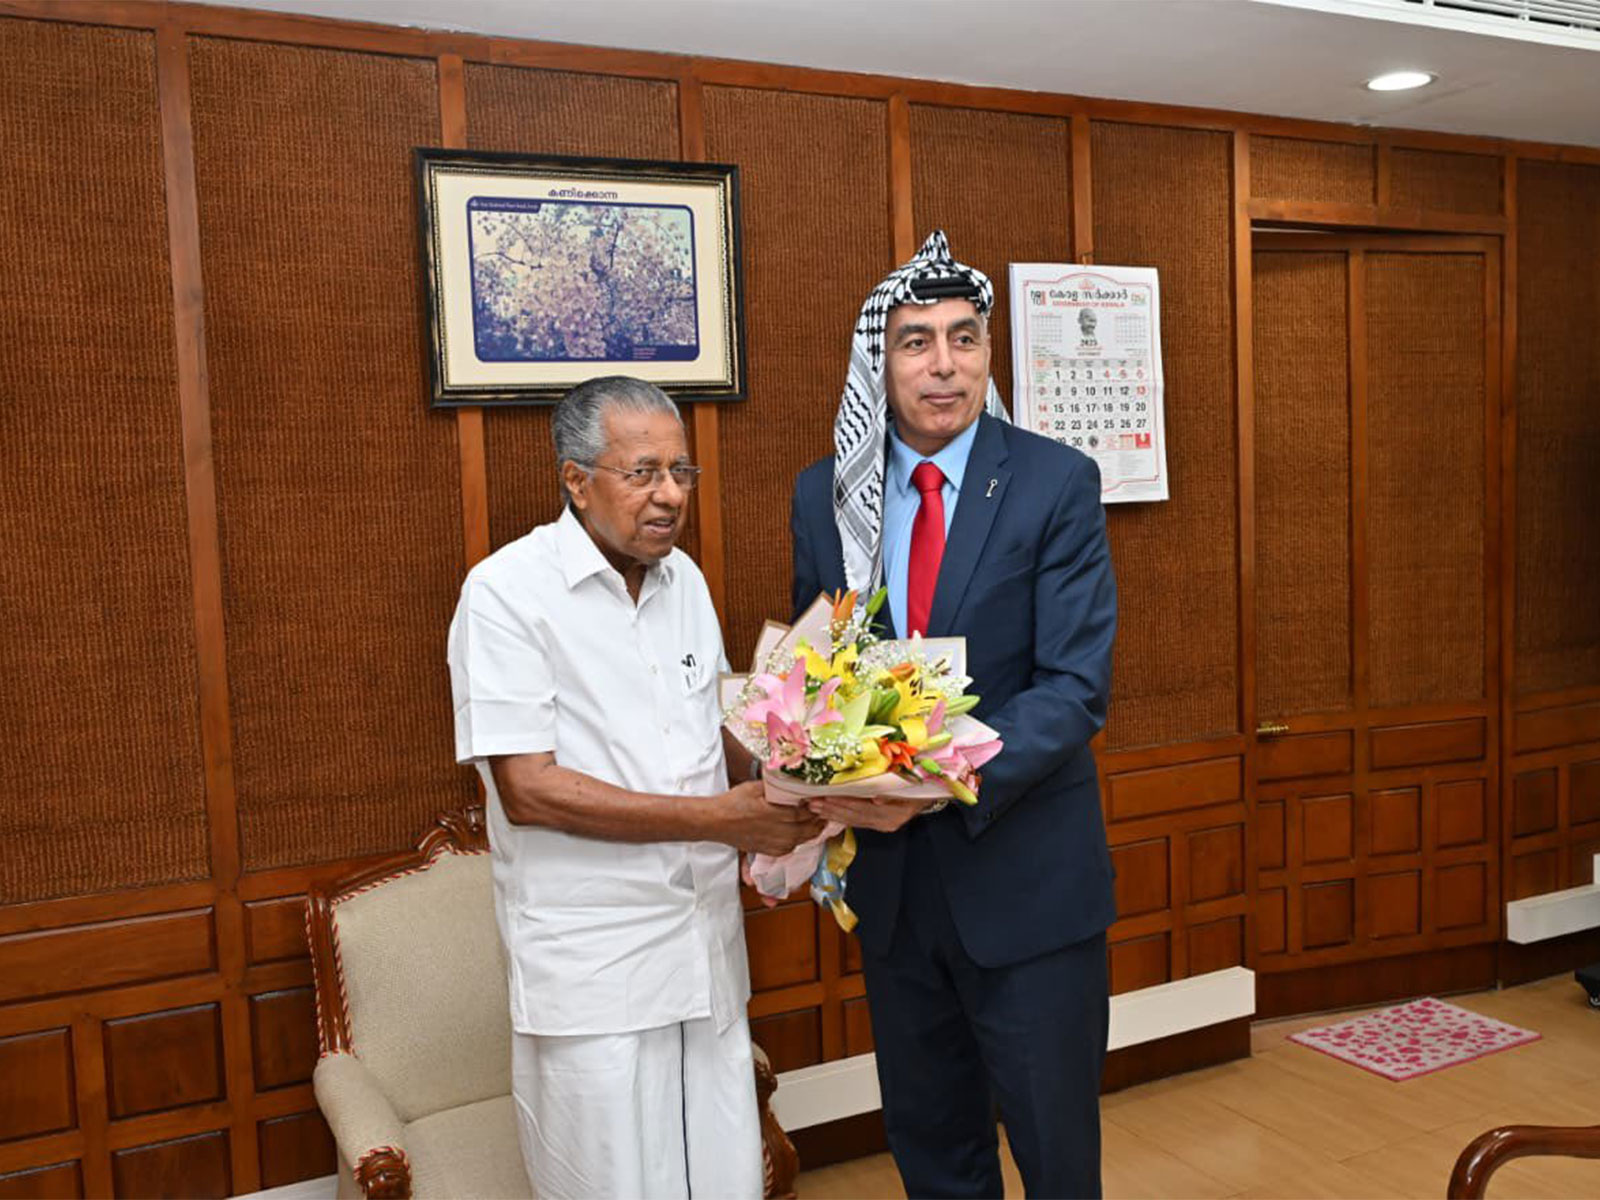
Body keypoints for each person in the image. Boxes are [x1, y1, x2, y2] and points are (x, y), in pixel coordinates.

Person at [789, 232, 1119, 1198]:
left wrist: (933, 781)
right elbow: (824, 667)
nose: (943, 364)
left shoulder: (1055, 482)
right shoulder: (827, 495)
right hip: (893, 894)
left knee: (1057, 1161)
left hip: (1025, 882)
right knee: (934, 1155)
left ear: (987, 354)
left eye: (965, 340)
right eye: (916, 342)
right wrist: (813, 758)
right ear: (877, 363)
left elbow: (1073, 687)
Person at [448, 375, 823, 1200]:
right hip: (597, 969)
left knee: (725, 1180)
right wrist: (724, 821)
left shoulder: (681, 579)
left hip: (704, 955)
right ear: (576, 481)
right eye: (643, 472)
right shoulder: (506, 595)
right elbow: (530, 790)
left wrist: (805, 773)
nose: (669, 496)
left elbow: (708, 730)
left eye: (682, 473)